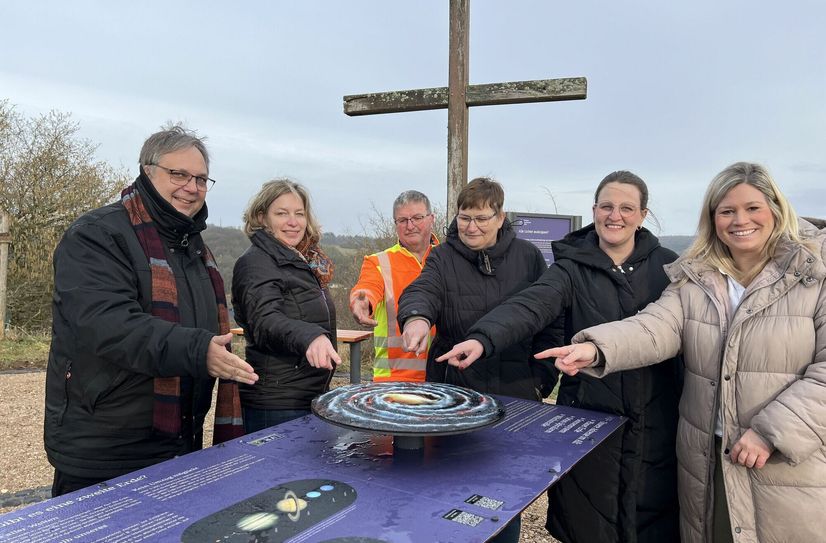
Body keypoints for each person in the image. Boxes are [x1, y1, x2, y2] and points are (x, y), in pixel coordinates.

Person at [547, 162, 826, 543]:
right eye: (726, 211)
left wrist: (769, 432)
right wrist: (595, 349)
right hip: (705, 458)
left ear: (776, 210)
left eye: (752, 208)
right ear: (713, 219)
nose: (739, 220)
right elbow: (654, 327)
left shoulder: (814, 276)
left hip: (784, 461)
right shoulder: (696, 279)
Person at [438, 171, 682, 543]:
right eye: (606, 206)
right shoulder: (571, 268)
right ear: (594, 210)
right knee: (589, 523)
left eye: (626, 208)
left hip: (656, 420)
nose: (615, 216)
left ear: (643, 215)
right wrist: (483, 339)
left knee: (653, 522)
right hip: (589, 416)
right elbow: (530, 306)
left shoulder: (668, 267)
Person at [44, 126, 258, 497]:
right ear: (147, 170)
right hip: (106, 446)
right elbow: (108, 325)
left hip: (179, 439)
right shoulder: (96, 235)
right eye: (178, 174)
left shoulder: (193, 248)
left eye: (201, 179)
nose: (191, 187)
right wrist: (198, 351)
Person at [397, 177, 557, 543]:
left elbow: (551, 317)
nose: (472, 227)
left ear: (501, 217)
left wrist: (540, 378)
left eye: (482, 218)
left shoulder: (529, 258)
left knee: (504, 491)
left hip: (514, 389)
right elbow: (422, 290)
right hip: (456, 391)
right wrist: (417, 317)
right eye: (465, 217)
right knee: (451, 486)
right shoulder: (443, 255)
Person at [231, 179, 340, 434]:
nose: (293, 222)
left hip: (307, 397)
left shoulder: (301, 261)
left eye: (299, 213)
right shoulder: (256, 262)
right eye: (282, 213)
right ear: (262, 217)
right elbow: (264, 321)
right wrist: (310, 336)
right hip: (276, 404)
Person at [349, 190, 438, 382]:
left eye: (417, 218)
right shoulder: (378, 262)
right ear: (395, 224)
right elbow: (367, 288)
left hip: (446, 377)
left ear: (432, 219)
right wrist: (362, 302)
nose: (410, 225)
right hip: (393, 381)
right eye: (402, 220)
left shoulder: (450, 258)